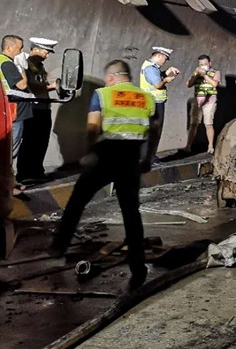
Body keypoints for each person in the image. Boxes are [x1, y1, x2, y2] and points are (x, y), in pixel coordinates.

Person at [50, 60, 160, 288]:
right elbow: (154, 130)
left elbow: (93, 126)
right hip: (130, 159)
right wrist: (147, 158)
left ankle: (59, 247)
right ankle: (138, 267)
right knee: (131, 212)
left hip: (106, 154)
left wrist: (90, 152)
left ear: (112, 77)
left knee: (77, 201)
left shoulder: (103, 94)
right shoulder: (147, 97)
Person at [17, 37, 60, 181]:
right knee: (29, 142)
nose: (47, 56)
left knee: (41, 143)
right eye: (45, 52)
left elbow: (41, 84)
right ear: (34, 49)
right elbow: (31, 85)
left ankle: (36, 172)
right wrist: (52, 85)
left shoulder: (40, 66)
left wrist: (53, 86)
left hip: (43, 108)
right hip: (33, 108)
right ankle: (24, 175)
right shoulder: (26, 64)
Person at [1, 35, 33, 195]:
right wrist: (22, 67)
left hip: (8, 112)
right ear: (9, 48)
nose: (21, 52)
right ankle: (7, 187)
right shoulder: (7, 63)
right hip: (13, 113)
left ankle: (10, 184)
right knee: (9, 153)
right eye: (19, 48)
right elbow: (22, 84)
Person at [140, 47, 178, 159]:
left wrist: (167, 72)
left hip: (150, 102)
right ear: (159, 56)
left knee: (152, 130)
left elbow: (156, 77)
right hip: (154, 103)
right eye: (165, 59)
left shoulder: (150, 66)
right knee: (154, 130)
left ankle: (148, 156)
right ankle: (149, 157)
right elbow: (157, 84)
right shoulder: (151, 68)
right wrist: (167, 80)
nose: (165, 61)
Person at [185, 54, 221, 153]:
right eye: (201, 64)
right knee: (193, 124)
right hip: (198, 102)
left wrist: (205, 74)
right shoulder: (196, 72)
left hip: (210, 102)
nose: (203, 66)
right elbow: (189, 84)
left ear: (210, 63)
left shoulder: (216, 72)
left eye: (205, 64)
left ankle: (210, 146)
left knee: (208, 124)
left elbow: (215, 84)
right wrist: (195, 75)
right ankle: (188, 146)